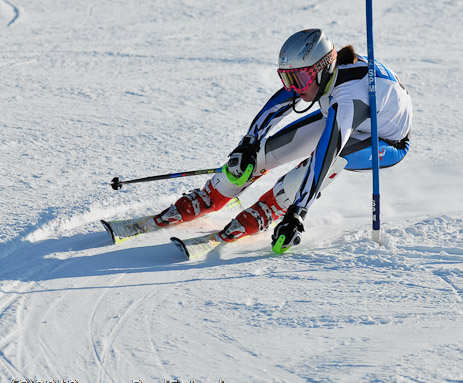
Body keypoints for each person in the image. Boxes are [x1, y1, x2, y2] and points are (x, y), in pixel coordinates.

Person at [154, 28, 412, 253]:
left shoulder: (347, 98)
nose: (294, 87)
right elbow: (280, 104)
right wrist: (248, 143)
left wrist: (298, 212)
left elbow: (326, 155)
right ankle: (212, 195)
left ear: (320, 70)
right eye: (287, 78)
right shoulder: (320, 76)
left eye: (298, 79)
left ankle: (270, 208)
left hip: (384, 142)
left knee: (320, 164)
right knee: (262, 153)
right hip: (348, 119)